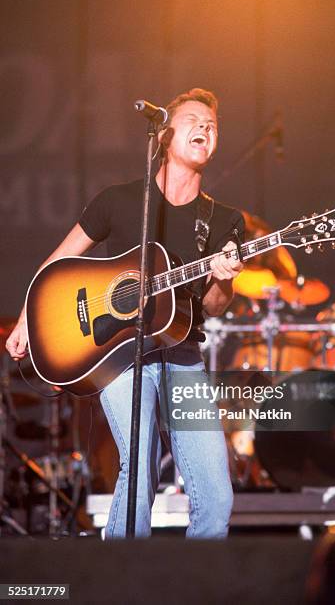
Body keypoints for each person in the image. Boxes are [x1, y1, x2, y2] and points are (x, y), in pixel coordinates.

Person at [6, 88, 245, 538]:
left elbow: (214, 306)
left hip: (183, 354)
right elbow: (57, 264)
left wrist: (224, 277)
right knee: (139, 468)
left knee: (216, 495)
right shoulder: (117, 200)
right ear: (165, 135)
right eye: (194, 119)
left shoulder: (223, 220)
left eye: (212, 125)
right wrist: (24, 318)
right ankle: (116, 582)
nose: (205, 128)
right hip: (120, 354)